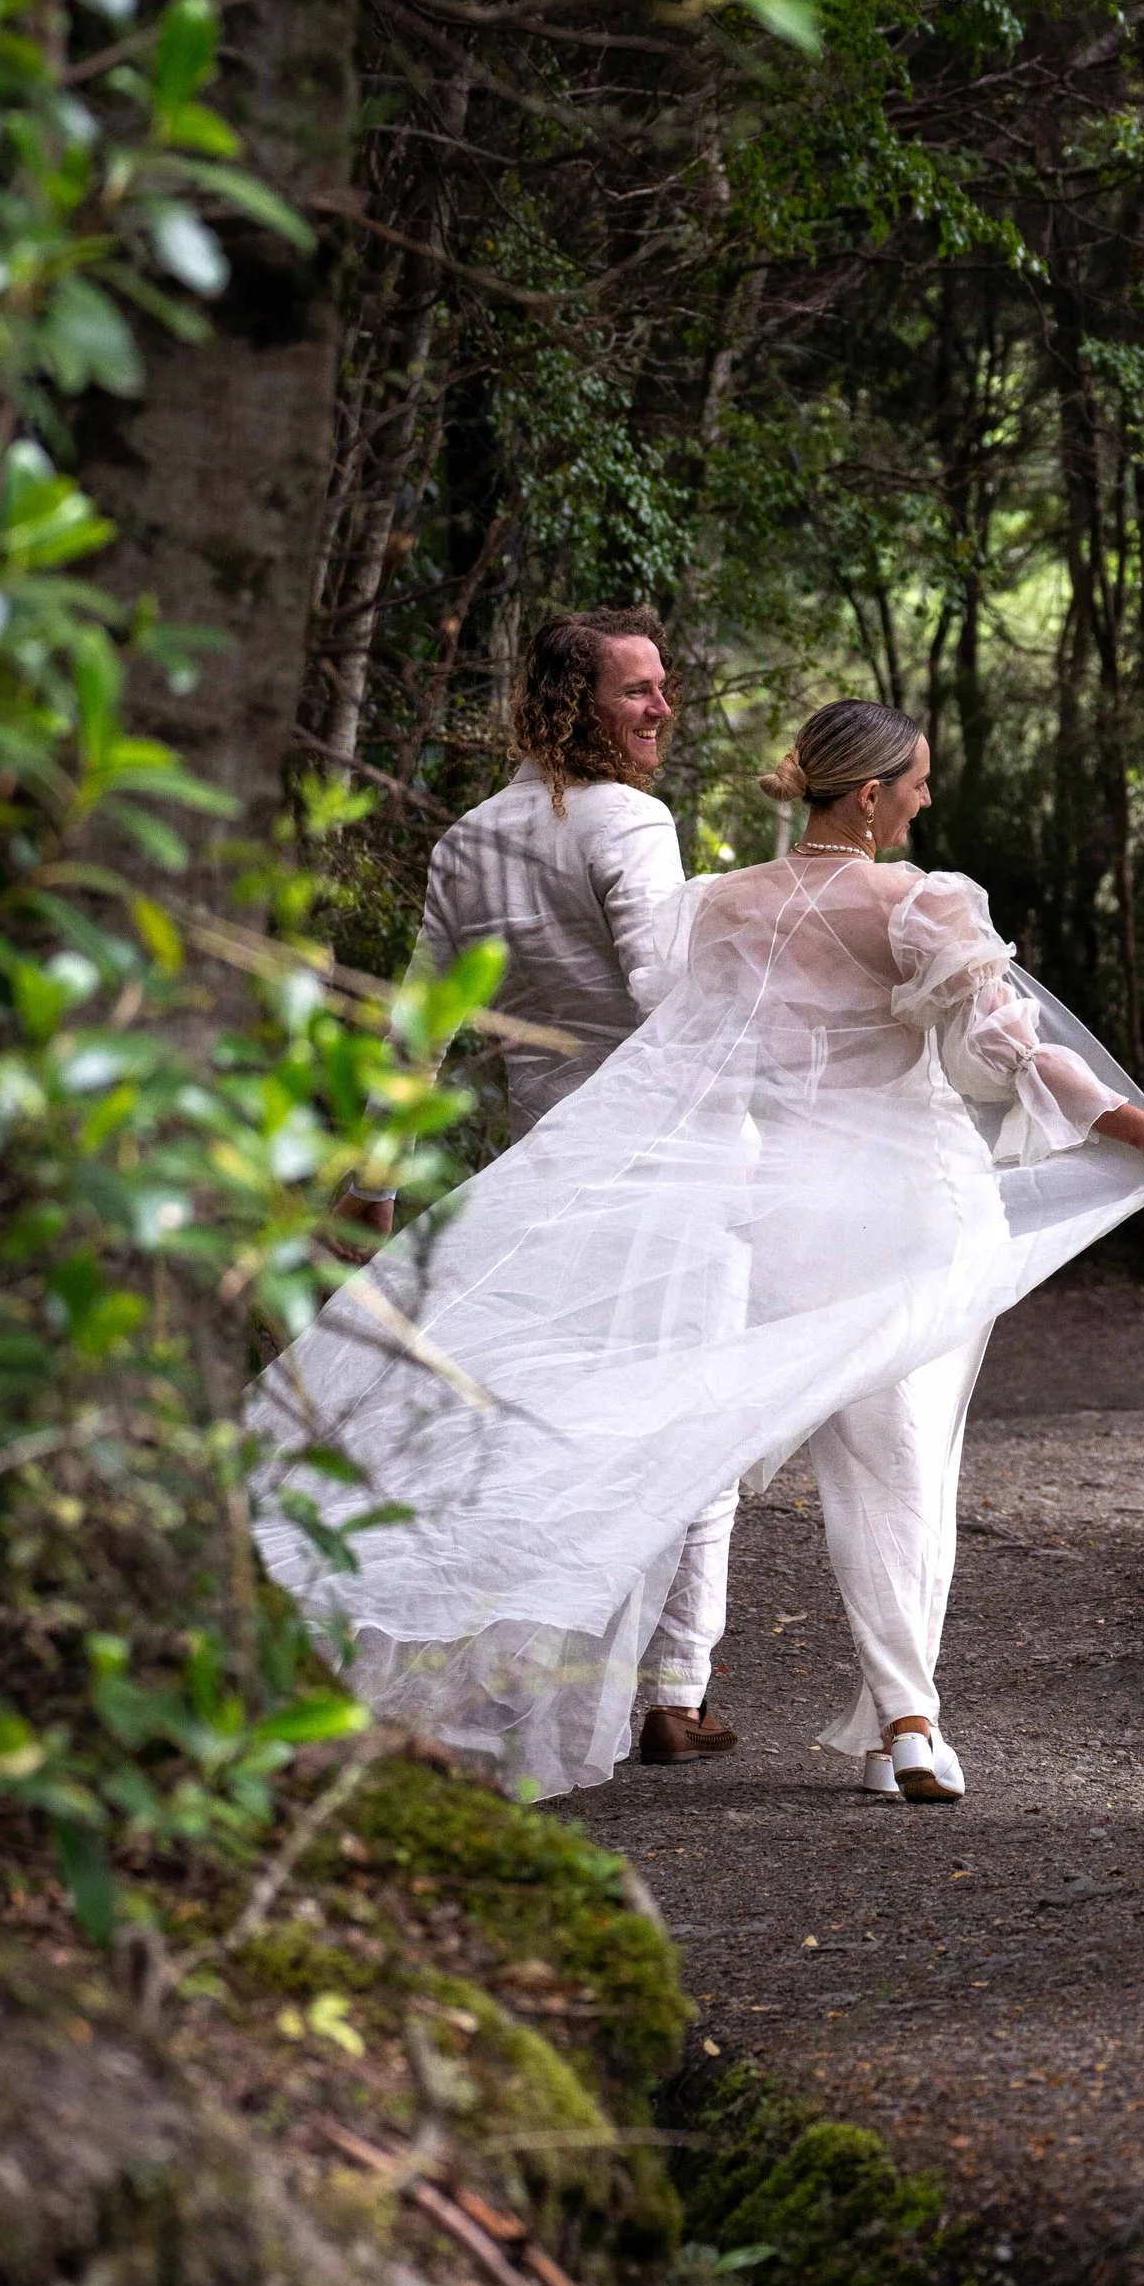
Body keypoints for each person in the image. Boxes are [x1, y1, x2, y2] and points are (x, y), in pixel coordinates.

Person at [252, 699, 1144, 1804]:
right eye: (915, 782)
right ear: (867, 795)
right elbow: (1014, 1054)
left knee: (730, 1434)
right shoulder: (919, 906)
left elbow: (686, 1066)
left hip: (776, 1213)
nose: (924, 799)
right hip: (915, 1209)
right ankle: (905, 1723)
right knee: (900, 1461)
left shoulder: (715, 908)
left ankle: (713, 1681)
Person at [345, 604, 740, 1767]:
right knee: (698, 1424)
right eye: (637, 690)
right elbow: (666, 997)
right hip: (658, 1173)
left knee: (547, 1424)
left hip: (535, 1178)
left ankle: (534, 1679)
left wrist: (374, 1177)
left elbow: (422, 1018)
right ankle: (670, 1688)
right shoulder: (630, 820)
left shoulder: (469, 837)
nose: (661, 707)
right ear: (576, 704)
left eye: (662, 687)